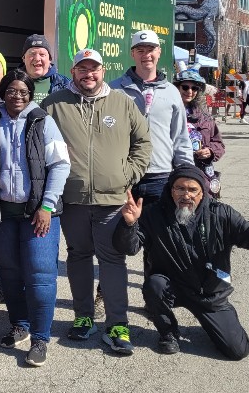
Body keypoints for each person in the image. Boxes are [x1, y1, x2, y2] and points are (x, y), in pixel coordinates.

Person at [114, 165, 249, 359]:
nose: (186, 195)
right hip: (173, 287)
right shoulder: (153, 214)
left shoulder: (221, 214)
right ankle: (168, 332)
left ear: (202, 193)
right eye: (180, 188)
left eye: (192, 190)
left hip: (209, 293)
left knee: (237, 351)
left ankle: (213, 323)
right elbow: (128, 248)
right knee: (154, 285)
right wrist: (129, 224)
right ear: (171, 190)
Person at [40, 49, 151, 356]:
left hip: (113, 199)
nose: (88, 74)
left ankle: (117, 324)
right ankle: (84, 317)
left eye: (94, 69)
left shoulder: (122, 102)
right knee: (77, 256)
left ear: (103, 71)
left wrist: (128, 173)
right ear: (73, 72)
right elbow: (37, 144)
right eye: (82, 69)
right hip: (73, 199)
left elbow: (143, 142)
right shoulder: (55, 104)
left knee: (112, 260)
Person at [0, 69, 70, 367]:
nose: (17, 97)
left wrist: (47, 206)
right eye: (11, 91)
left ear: (30, 94)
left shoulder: (43, 122)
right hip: (2, 213)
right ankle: (20, 325)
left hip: (37, 212)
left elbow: (61, 166)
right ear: (2, 93)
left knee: (40, 274)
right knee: (10, 273)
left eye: (23, 92)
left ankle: (40, 337)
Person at [110, 30, 193, 206]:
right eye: (140, 50)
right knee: (123, 232)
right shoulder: (115, 90)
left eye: (151, 49)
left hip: (161, 177)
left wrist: (187, 174)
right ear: (132, 53)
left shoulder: (171, 92)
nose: (146, 55)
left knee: (159, 232)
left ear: (159, 52)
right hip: (124, 176)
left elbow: (180, 137)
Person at [174, 69, 225, 196]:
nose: (190, 92)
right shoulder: (169, 113)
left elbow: (218, 143)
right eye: (185, 87)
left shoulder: (204, 116)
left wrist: (210, 151)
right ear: (177, 88)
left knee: (206, 212)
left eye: (194, 88)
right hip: (178, 173)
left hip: (203, 175)